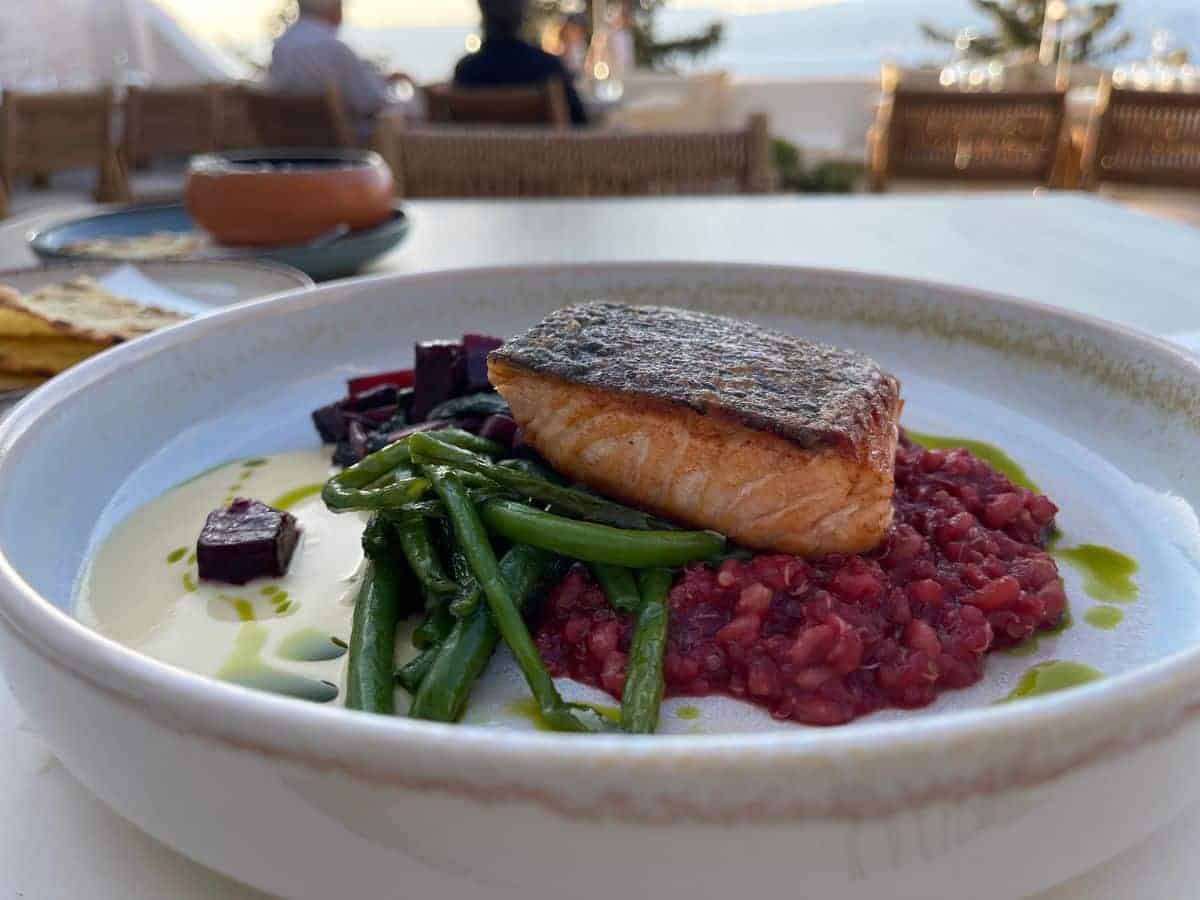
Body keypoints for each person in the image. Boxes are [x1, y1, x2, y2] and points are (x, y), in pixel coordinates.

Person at [269, 0, 415, 139]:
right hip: (341, 151)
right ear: (332, 6)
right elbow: (371, 103)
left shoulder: (281, 47)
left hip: (290, 147)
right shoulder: (333, 48)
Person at [454, 0, 588, 126]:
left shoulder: (465, 72)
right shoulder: (548, 69)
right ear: (523, 8)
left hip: (482, 151)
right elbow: (582, 128)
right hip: (541, 151)